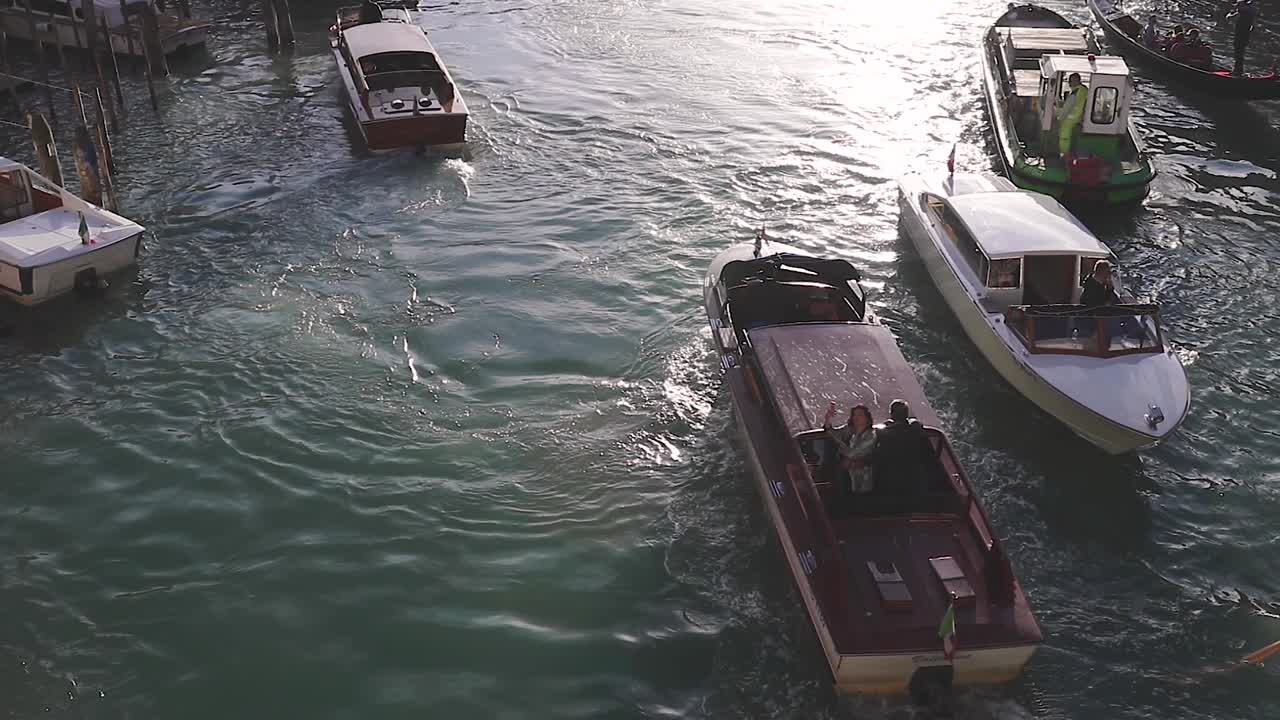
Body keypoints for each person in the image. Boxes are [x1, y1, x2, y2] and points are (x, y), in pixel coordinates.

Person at [824, 405, 877, 496]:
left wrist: (839, 444)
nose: (856, 417)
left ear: (867, 418)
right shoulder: (850, 433)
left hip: (864, 481)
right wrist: (828, 418)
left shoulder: (871, 435)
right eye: (854, 415)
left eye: (860, 415)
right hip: (847, 479)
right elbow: (832, 433)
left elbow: (852, 453)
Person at [1055, 73, 1087, 160]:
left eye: (1071, 81)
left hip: (1071, 119)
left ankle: (1064, 155)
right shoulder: (1084, 90)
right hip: (1080, 118)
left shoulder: (1075, 93)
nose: (1069, 83)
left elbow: (1067, 108)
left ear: (1076, 81)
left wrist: (1059, 118)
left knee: (1064, 137)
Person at [1228, 0, 1258, 76]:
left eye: (1239, 5)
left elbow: (1228, 17)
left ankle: (1238, 71)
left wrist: (1232, 13)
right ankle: (1238, 70)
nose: (1237, 7)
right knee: (1239, 53)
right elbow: (1253, 26)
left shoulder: (1243, 12)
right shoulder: (1250, 12)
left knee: (1239, 53)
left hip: (1241, 35)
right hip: (1244, 35)